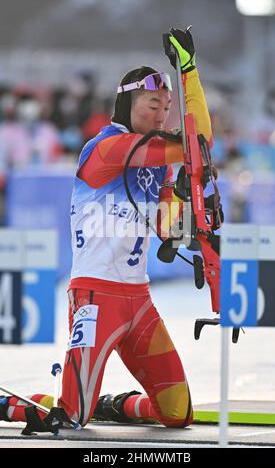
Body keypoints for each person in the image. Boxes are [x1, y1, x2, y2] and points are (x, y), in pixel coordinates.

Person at [0, 28, 213, 430]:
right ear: (128, 103)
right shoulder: (105, 146)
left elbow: (169, 228)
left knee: (177, 413)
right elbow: (198, 140)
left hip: (139, 299)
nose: (162, 114)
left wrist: (182, 204)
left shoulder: (157, 161)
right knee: (70, 417)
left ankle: (110, 405)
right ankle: (10, 403)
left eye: (167, 106)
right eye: (153, 103)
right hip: (97, 297)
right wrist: (188, 71)